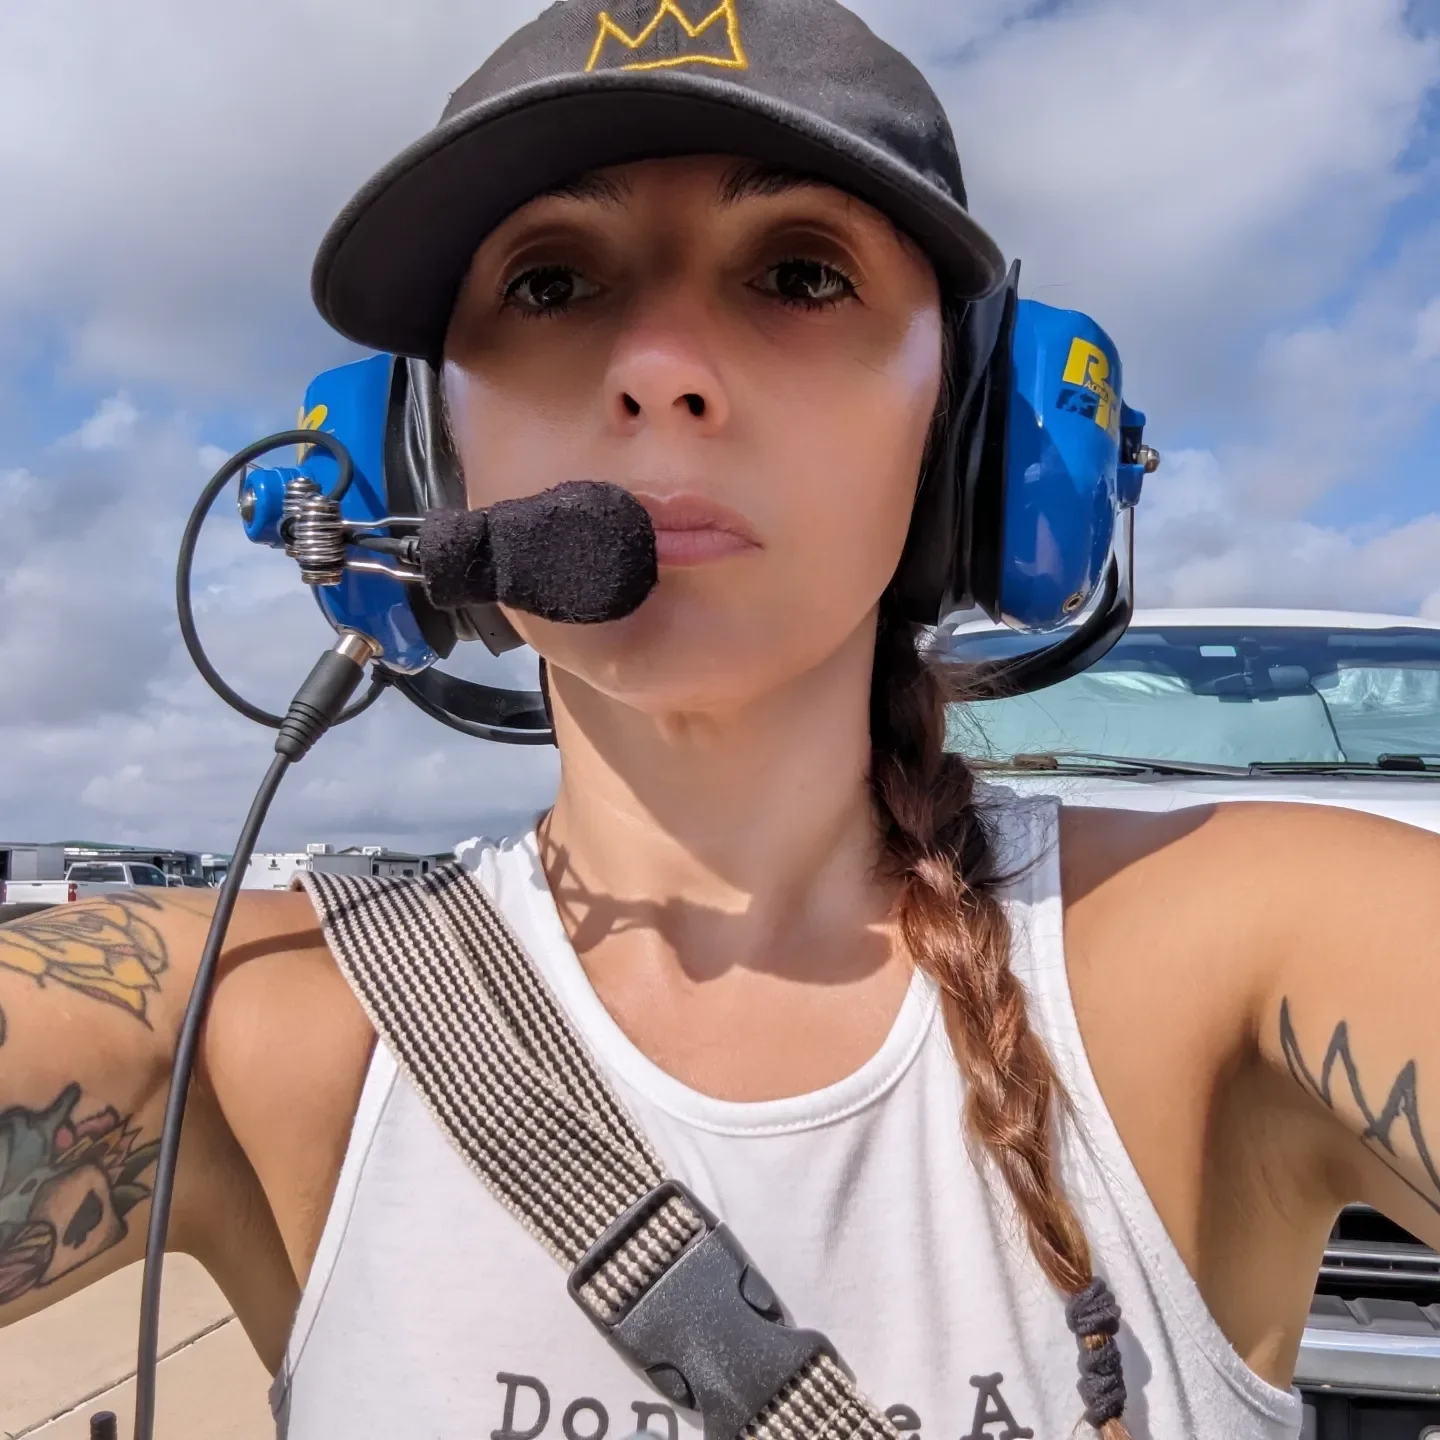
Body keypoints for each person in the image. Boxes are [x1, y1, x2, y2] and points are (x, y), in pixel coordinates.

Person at [1, 3, 1437, 1438]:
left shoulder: (1249, 941)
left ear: (969, 433)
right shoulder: (264, 1030)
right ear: (427, 458)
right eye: (554, 285)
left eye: (801, 274)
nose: (662, 366)